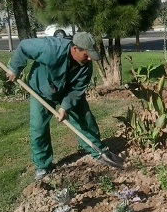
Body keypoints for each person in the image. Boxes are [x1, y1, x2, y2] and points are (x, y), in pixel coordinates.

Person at [7, 32, 117, 180]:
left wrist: (65, 106)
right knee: (38, 127)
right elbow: (24, 46)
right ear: (75, 49)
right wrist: (15, 67)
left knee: (84, 119)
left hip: (67, 91)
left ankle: (97, 151)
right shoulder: (51, 48)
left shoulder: (86, 66)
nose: (90, 58)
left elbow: (76, 90)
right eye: (86, 54)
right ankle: (43, 165)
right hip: (42, 90)